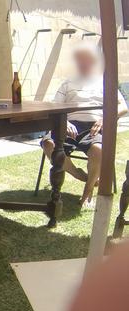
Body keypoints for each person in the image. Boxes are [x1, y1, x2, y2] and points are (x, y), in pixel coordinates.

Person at [42, 43, 128, 206]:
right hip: (68, 125)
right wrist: (65, 121)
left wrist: (105, 119)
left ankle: (88, 189)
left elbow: (123, 106)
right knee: (48, 144)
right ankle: (80, 175)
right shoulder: (67, 83)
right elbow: (54, 106)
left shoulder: (105, 83)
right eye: (80, 60)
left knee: (98, 150)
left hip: (94, 126)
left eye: (87, 60)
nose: (83, 63)